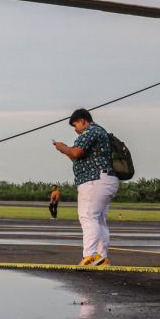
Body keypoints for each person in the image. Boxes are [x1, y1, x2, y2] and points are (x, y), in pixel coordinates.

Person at [54, 108, 118, 266]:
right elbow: (79, 158)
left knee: (88, 216)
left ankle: (90, 255)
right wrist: (66, 151)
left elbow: (76, 153)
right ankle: (101, 257)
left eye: (75, 125)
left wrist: (62, 147)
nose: (76, 130)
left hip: (94, 179)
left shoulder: (90, 131)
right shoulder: (101, 132)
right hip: (107, 179)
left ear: (83, 121)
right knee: (99, 219)